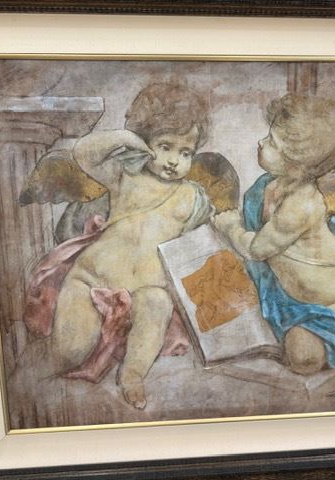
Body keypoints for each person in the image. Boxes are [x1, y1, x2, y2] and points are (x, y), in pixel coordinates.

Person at [212, 93, 335, 382]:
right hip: (301, 305)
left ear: (297, 165)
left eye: (272, 142)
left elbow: (256, 249)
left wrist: (229, 226)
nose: (261, 143)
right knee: (302, 359)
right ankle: (328, 345)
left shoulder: (301, 204)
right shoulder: (267, 187)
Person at [51, 82, 214, 410]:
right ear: (145, 142)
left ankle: (133, 374)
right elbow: (83, 153)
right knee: (69, 352)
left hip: (145, 290)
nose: (174, 161)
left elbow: (204, 245)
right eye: (165, 147)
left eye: (185, 153)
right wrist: (128, 137)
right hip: (92, 279)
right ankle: (86, 343)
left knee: (157, 304)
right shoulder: (124, 176)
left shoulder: (192, 196)